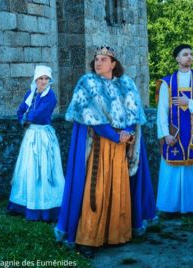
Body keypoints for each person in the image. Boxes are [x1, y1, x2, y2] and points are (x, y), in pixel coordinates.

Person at [54, 45, 156, 258]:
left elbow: (133, 114)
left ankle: (115, 234)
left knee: (119, 190)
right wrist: (114, 135)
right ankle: (88, 239)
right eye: (96, 59)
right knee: (96, 193)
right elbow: (90, 116)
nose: (98, 62)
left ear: (113, 64)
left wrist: (127, 132)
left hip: (121, 148)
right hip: (99, 146)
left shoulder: (126, 84)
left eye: (103, 59)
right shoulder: (87, 83)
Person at [156, 44, 193, 216]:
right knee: (172, 171)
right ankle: (169, 208)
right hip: (174, 134)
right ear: (177, 59)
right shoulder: (166, 83)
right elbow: (162, 111)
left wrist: (188, 102)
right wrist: (165, 134)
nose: (189, 57)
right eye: (185, 54)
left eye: (191, 54)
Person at [7, 65, 64, 221]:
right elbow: (20, 111)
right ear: (36, 80)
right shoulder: (30, 94)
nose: (43, 81)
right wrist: (23, 119)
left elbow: (39, 115)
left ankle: (47, 209)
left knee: (44, 170)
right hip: (31, 135)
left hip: (43, 137)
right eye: (40, 78)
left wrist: (27, 118)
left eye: (46, 79)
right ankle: (23, 205)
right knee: (28, 168)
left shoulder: (50, 97)